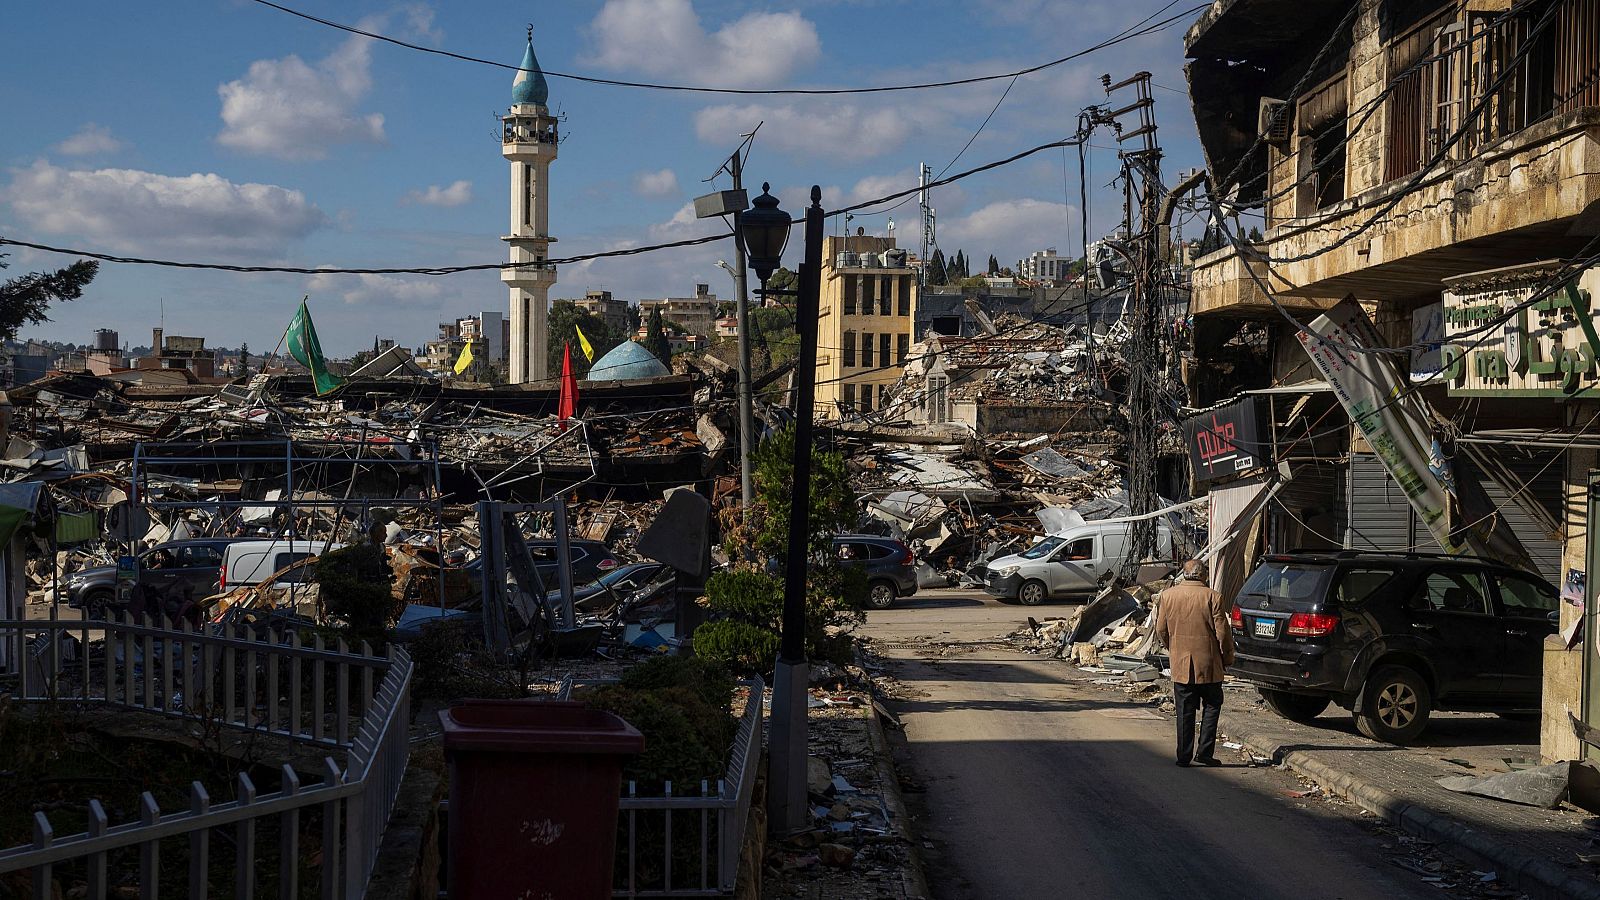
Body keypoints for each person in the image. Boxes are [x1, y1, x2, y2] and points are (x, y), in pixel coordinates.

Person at [1153, 559, 1235, 767]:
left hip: (1181, 663)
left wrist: (1174, 648)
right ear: (1203, 575)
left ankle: (1183, 755)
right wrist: (1227, 657)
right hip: (1208, 664)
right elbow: (1222, 633)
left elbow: (1161, 629)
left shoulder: (1168, 596)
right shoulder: (1213, 597)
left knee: (1184, 710)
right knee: (1213, 705)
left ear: (1184, 573)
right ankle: (1205, 752)